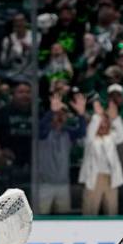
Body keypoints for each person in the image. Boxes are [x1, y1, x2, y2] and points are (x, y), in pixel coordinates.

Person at [36, 83, 86, 214]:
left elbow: (81, 132)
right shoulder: (44, 134)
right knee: (41, 217)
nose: (60, 117)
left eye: (63, 114)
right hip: (44, 185)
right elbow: (40, 128)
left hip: (63, 185)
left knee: (64, 218)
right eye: (57, 114)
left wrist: (81, 114)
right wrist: (51, 111)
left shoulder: (67, 134)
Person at [79, 94, 123, 215]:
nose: (103, 125)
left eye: (106, 122)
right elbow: (91, 131)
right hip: (94, 178)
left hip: (111, 178)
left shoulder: (111, 137)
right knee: (90, 211)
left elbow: (122, 136)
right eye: (101, 122)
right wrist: (98, 115)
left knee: (112, 211)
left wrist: (115, 118)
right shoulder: (90, 139)